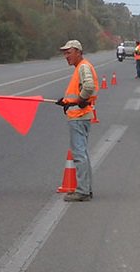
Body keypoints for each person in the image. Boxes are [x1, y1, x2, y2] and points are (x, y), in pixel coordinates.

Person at [56, 40, 98, 202]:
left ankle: (83, 191)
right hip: (80, 115)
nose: (66, 56)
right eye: (65, 53)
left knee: (79, 154)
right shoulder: (81, 67)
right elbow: (81, 90)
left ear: (78, 52)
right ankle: (86, 188)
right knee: (82, 154)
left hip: (79, 116)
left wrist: (78, 101)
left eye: (69, 52)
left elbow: (88, 87)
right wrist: (67, 101)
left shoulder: (83, 67)